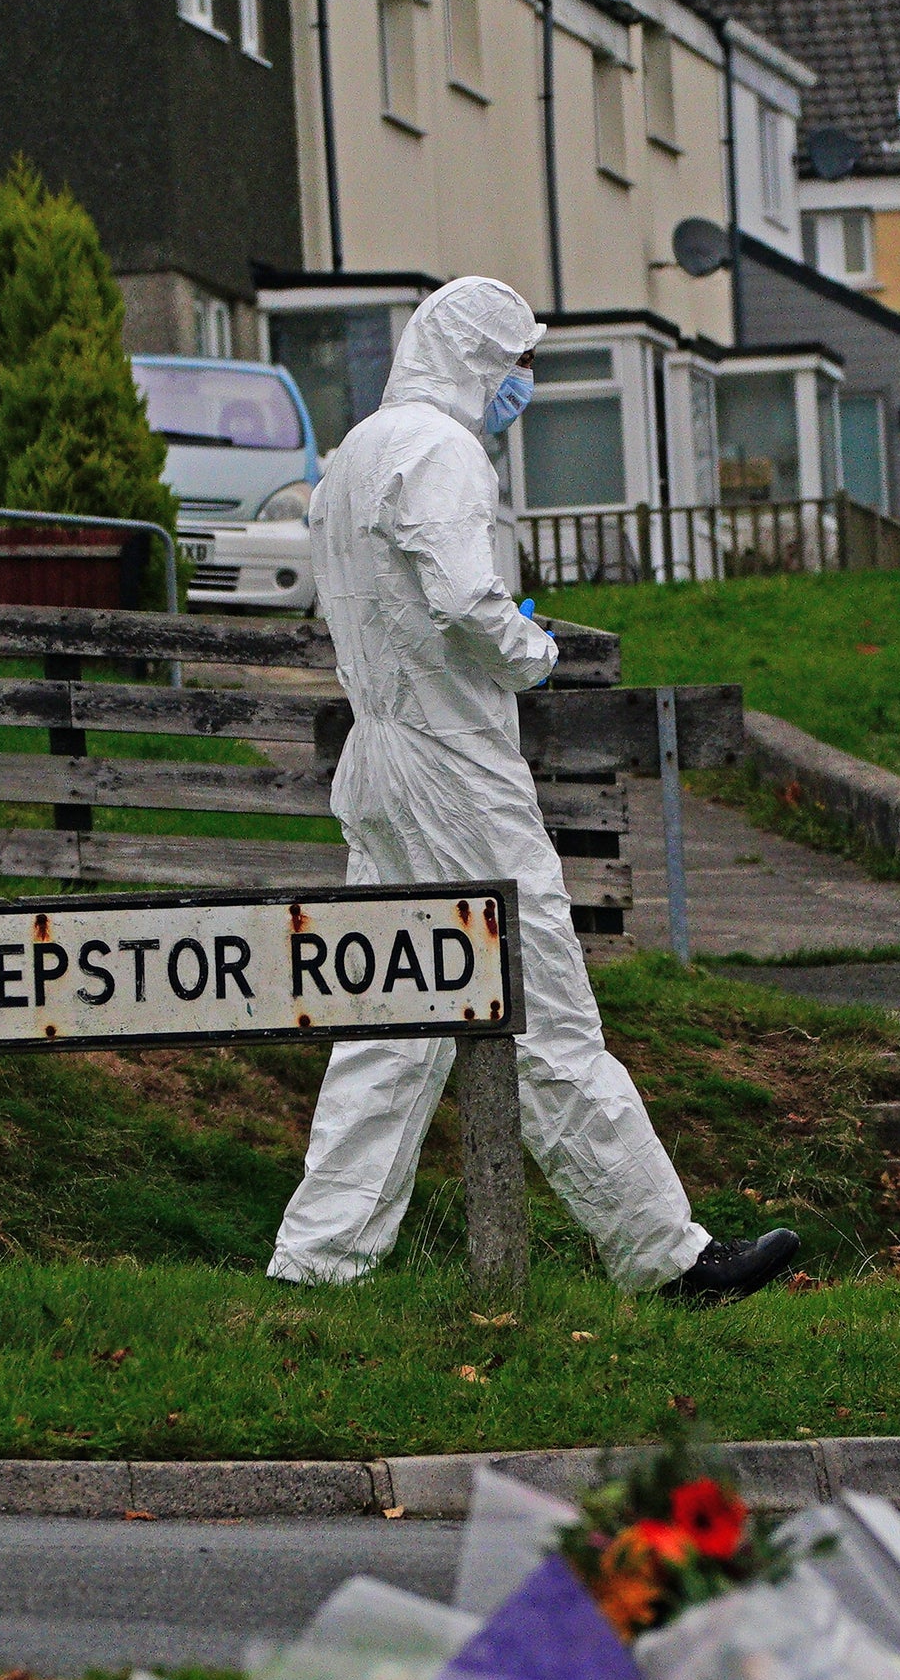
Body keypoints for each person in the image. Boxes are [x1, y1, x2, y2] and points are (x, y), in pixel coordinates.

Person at [266, 275, 797, 1303]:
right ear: (477, 359)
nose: (526, 383)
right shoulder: (444, 451)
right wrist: (532, 647)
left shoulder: (352, 457)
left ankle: (317, 1264)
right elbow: (467, 597)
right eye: (518, 362)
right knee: (547, 1008)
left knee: (391, 1015)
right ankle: (666, 1257)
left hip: (380, 762)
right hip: (456, 769)